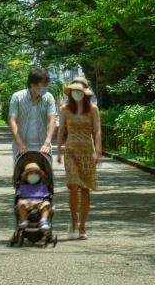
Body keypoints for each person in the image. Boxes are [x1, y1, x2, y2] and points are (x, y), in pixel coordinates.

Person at [56, 80, 101, 239]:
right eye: (74, 91)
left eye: (79, 90)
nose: (76, 93)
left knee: (85, 188)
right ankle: (74, 221)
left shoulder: (93, 109)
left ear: (85, 93)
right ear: (70, 93)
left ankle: (82, 226)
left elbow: (97, 130)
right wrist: (59, 150)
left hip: (88, 151)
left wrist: (98, 150)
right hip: (71, 151)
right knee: (74, 186)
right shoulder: (65, 109)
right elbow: (61, 129)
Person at [8, 69, 58, 162]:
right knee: (22, 175)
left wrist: (47, 143)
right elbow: (12, 120)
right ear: (33, 84)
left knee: (45, 175)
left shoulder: (48, 97)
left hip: (43, 148)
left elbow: (52, 120)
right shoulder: (17, 97)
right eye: (44, 85)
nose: (46, 88)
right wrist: (20, 144)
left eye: (47, 85)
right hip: (22, 148)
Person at [15, 161, 52, 232]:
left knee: (47, 204)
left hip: (39, 204)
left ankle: (43, 221)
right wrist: (20, 199)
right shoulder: (23, 187)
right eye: (31, 173)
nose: (33, 175)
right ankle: (23, 220)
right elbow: (19, 195)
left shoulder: (42, 186)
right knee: (21, 203)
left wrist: (46, 199)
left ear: (39, 175)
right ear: (26, 176)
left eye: (36, 173)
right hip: (27, 204)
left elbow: (47, 195)